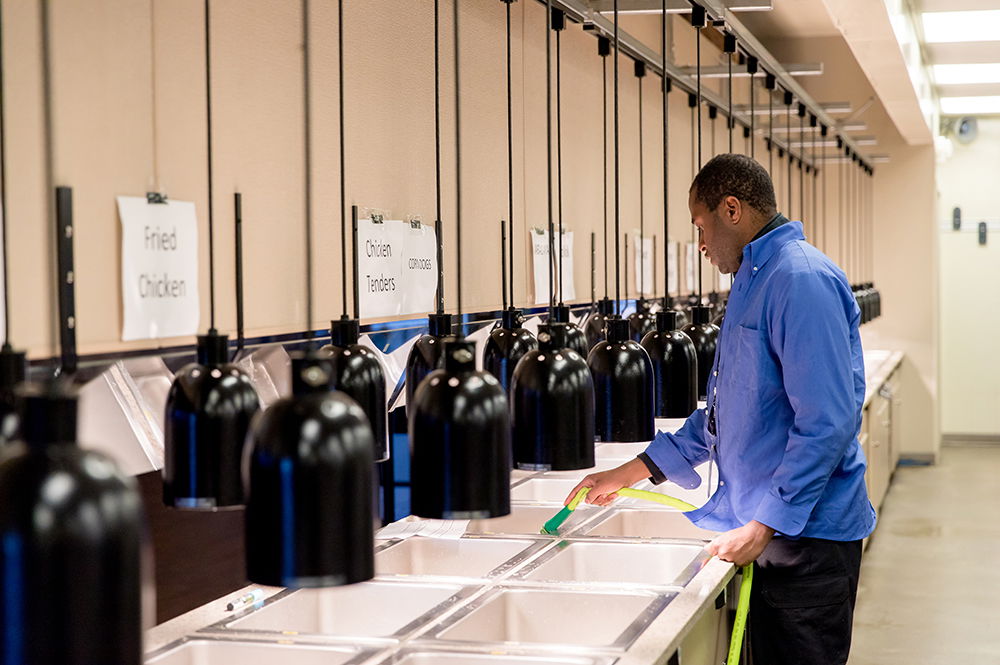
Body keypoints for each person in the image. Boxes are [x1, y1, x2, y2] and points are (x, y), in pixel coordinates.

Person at [567, 153, 875, 665]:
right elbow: (725, 413)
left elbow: (827, 423)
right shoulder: (752, 282)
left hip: (807, 543)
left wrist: (764, 526)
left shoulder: (799, 279)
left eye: (701, 227)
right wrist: (634, 470)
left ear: (731, 209)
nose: (702, 245)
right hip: (772, 534)